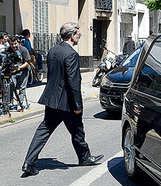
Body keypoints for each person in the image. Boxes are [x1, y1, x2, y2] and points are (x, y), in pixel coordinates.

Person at [22, 22, 104, 176]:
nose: (79, 36)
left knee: (43, 130)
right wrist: (78, 105)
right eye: (78, 34)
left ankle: (29, 162)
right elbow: (73, 82)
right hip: (66, 102)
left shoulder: (53, 50)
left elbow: (53, 75)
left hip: (52, 99)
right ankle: (85, 158)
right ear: (72, 35)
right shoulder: (71, 54)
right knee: (78, 131)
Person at [7, 36, 30, 110]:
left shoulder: (23, 49)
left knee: (22, 88)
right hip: (13, 71)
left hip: (23, 70)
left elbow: (27, 63)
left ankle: (20, 103)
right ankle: (9, 103)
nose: (14, 46)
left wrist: (18, 68)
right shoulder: (8, 50)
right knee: (10, 87)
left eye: (15, 43)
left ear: (18, 42)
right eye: (11, 44)